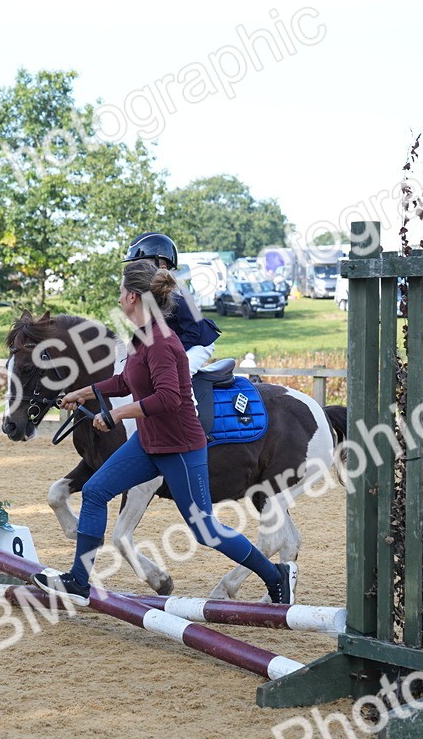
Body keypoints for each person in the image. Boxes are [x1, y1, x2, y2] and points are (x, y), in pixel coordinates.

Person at [30, 259, 296, 607]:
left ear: (134, 297)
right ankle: (78, 581)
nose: (120, 298)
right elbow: (128, 381)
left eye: (122, 292)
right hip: (148, 442)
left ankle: (277, 578)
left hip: (180, 447)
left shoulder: (161, 343)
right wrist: (85, 392)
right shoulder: (141, 338)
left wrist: (116, 414)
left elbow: (169, 398)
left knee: (205, 530)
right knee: (95, 491)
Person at [122, 232, 220, 375]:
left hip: (200, 344)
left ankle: (190, 399)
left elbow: (193, 333)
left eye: (142, 266)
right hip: (181, 341)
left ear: (162, 267)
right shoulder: (148, 298)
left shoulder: (181, 296)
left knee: (180, 375)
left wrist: (167, 352)